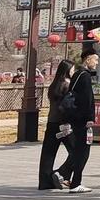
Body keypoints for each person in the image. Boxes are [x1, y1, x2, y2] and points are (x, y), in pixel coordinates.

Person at [56, 48, 99, 194]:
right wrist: (90, 118)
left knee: (78, 150)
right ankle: (75, 183)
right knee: (83, 152)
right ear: (87, 59)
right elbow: (87, 100)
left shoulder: (77, 75)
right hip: (82, 119)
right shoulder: (85, 76)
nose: (97, 63)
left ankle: (64, 174)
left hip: (74, 117)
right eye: (95, 59)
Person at [39, 61, 75, 190]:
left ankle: (45, 181)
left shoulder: (54, 85)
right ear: (67, 70)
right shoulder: (68, 84)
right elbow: (68, 105)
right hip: (64, 123)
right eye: (72, 69)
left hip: (52, 122)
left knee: (48, 154)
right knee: (77, 151)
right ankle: (61, 174)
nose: (74, 72)